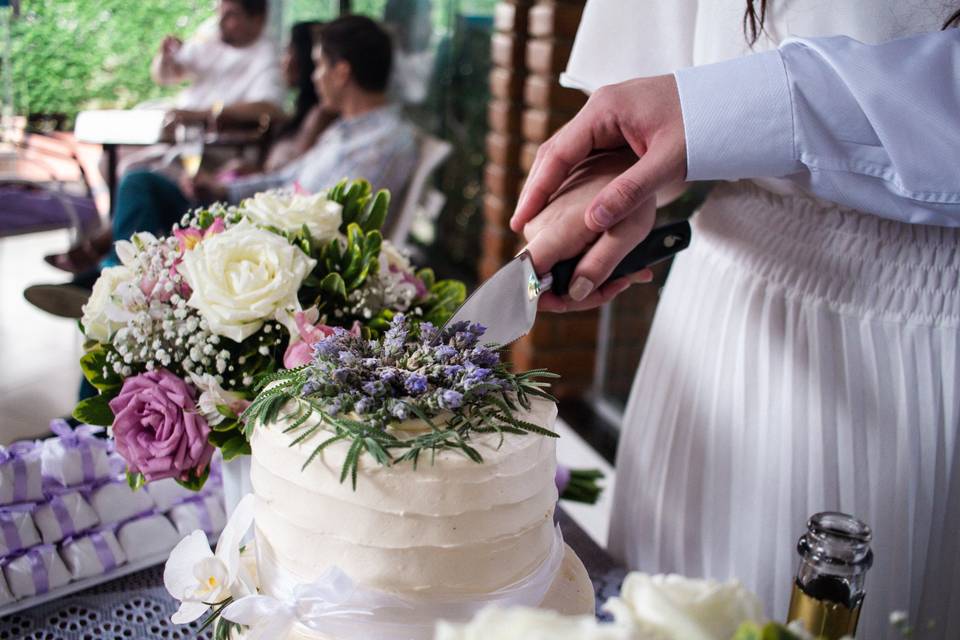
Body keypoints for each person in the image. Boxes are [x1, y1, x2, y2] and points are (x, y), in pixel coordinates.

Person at [513, 2, 960, 637]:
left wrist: (745, 110)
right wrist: (616, 180)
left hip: (921, 342)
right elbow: (645, 88)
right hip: (713, 318)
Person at [26, 15, 418, 319]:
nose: (315, 77)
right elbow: (287, 179)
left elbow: (329, 216)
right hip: (255, 223)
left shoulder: (384, 142)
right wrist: (220, 189)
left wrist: (239, 209)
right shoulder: (344, 129)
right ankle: (110, 277)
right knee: (142, 183)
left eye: (318, 66)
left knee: (126, 301)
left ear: (342, 71)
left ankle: (108, 282)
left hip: (269, 249)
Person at [44, 21, 334, 277]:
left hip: (241, 209)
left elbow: (290, 181)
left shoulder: (317, 118)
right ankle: (110, 269)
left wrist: (232, 179)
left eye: (290, 53)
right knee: (139, 179)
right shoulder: (300, 115)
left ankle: (113, 273)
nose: (283, 60)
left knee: (139, 183)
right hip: (237, 191)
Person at [150, 0, 284, 130]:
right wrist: (165, 58)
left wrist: (196, 116)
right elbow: (165, 77)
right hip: (182, 128)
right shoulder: (211, 33)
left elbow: (268, 108)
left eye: (231, 15)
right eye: (219, 12)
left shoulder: (268, 57)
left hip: (219, 142)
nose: (220, 21)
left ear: (258, 19)